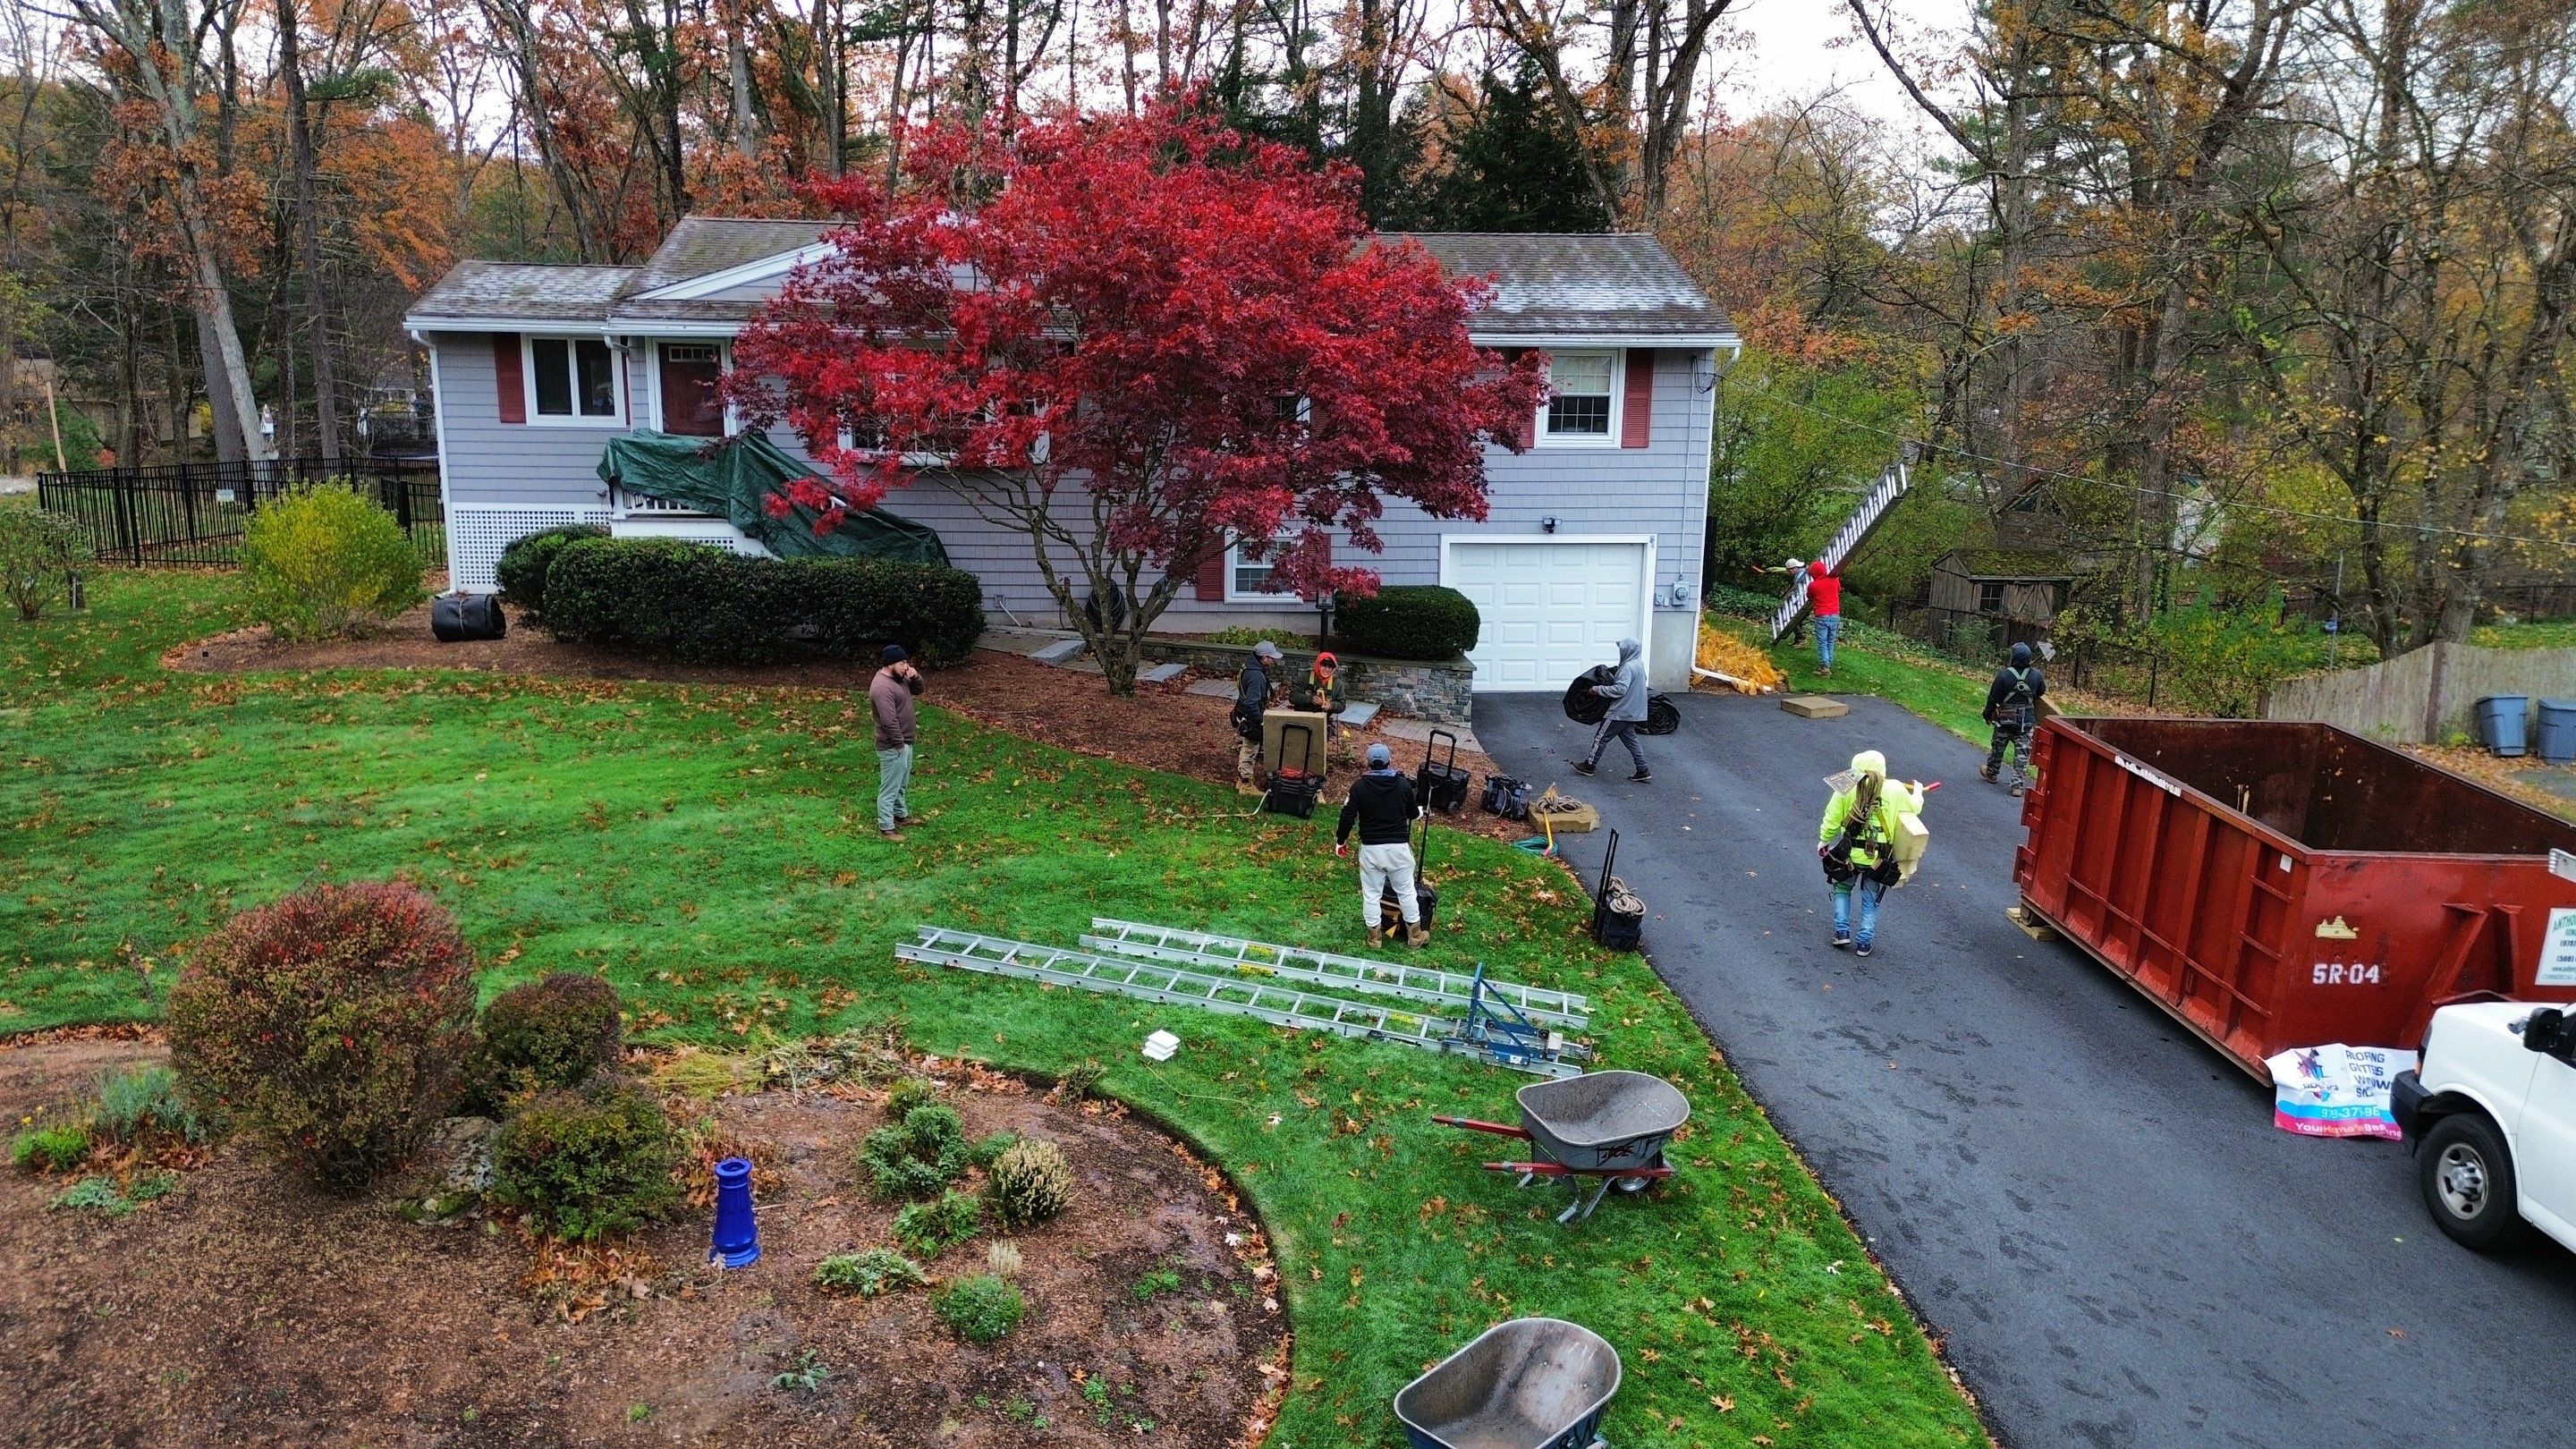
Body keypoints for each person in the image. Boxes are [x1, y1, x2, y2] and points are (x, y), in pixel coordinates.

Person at [1335, 741, 1428, 947]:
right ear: (1388, 762)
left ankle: (1374, 938)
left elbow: (1347, 816)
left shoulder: (1359, 787)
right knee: (1406, 892)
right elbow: (1413, 814)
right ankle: (1415, 936)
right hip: (1398, 850)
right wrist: (1420, 812)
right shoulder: (1403, 785)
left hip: (1371, 850)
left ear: (1368, 763)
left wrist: (1340, 841)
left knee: (1371, 895)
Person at [1818, 749, 1904, 957]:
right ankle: (1864, 943)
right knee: (1871, 898)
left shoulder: (1845, 786)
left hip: (1849, 854)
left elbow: (1832, 817)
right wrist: (1918, 792)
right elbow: (1914, 808)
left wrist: (1824, 840)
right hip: (1879, 858)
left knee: (1842, 888)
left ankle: (1842, 932)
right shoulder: (1895, 788)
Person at [1572, 638, 1652, 782]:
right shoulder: (1638, 664)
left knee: (1601, 738)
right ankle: (1643, 769)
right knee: (1631, 741)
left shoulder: (1627, 667)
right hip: (1634, 711)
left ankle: (1589, 766)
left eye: (1622, 648)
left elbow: (1621, 689)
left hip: (1620, 711)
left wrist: (1598, 689)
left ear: (1627, 650)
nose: (1620, 650)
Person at [869, 644, 925, 841]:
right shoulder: (882, 687)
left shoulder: (899, 678)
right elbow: (888, 720)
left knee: (901, 783)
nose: (906, 666)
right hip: (893, 746)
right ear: (891, 663)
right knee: (890, 787)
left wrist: (915, 676)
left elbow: (919, 690)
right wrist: (900, 745)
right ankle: (886, 827)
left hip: (904, 743)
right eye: (903, 662)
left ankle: (900, 815)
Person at [1981, 642, 2046, 795]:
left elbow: (1993, 698)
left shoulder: (2004, 675)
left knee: (1998, 747)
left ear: (2014, 657)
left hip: (2005, 719)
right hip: (2026, 721)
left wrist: (1987, 714)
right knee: (2022, 753)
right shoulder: (2036, 675)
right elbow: (2041, 692)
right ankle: (2017, 786)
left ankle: (1992, 773)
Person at [1233, 640, 1283, 788]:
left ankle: (1243, 781)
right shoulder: (1256, 676)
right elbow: (1251, 703)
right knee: (1250, 748)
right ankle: (1246, 784)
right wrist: (1261, 721)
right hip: (1251, 717)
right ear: (1264, 658)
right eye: (1272, 658)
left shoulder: (1248, 666)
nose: (1274, 661)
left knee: (1248, 747)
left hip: (1243, 712)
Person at [1295, 650, 1349, 738]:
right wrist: (1310, 699)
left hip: (1323, 721)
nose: (1327, 670)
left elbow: (1342, 705)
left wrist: (1331, 705)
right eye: (1324, 665)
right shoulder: (1305, 677)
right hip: (1302, 719)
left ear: (1333, 669)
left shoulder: (1337, 683)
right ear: (1318, 665)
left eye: (1330, 667)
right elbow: (1293, 697)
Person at [1804, 558, 1843, 675]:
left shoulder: (1813, 585)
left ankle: (1825, 668)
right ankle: (1828, 663)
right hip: (1835, 615)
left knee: (1822, 642)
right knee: (1830, 641)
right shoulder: (1834, 580)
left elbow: (1809, 596)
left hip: (1822, 616)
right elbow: (1839, 590)